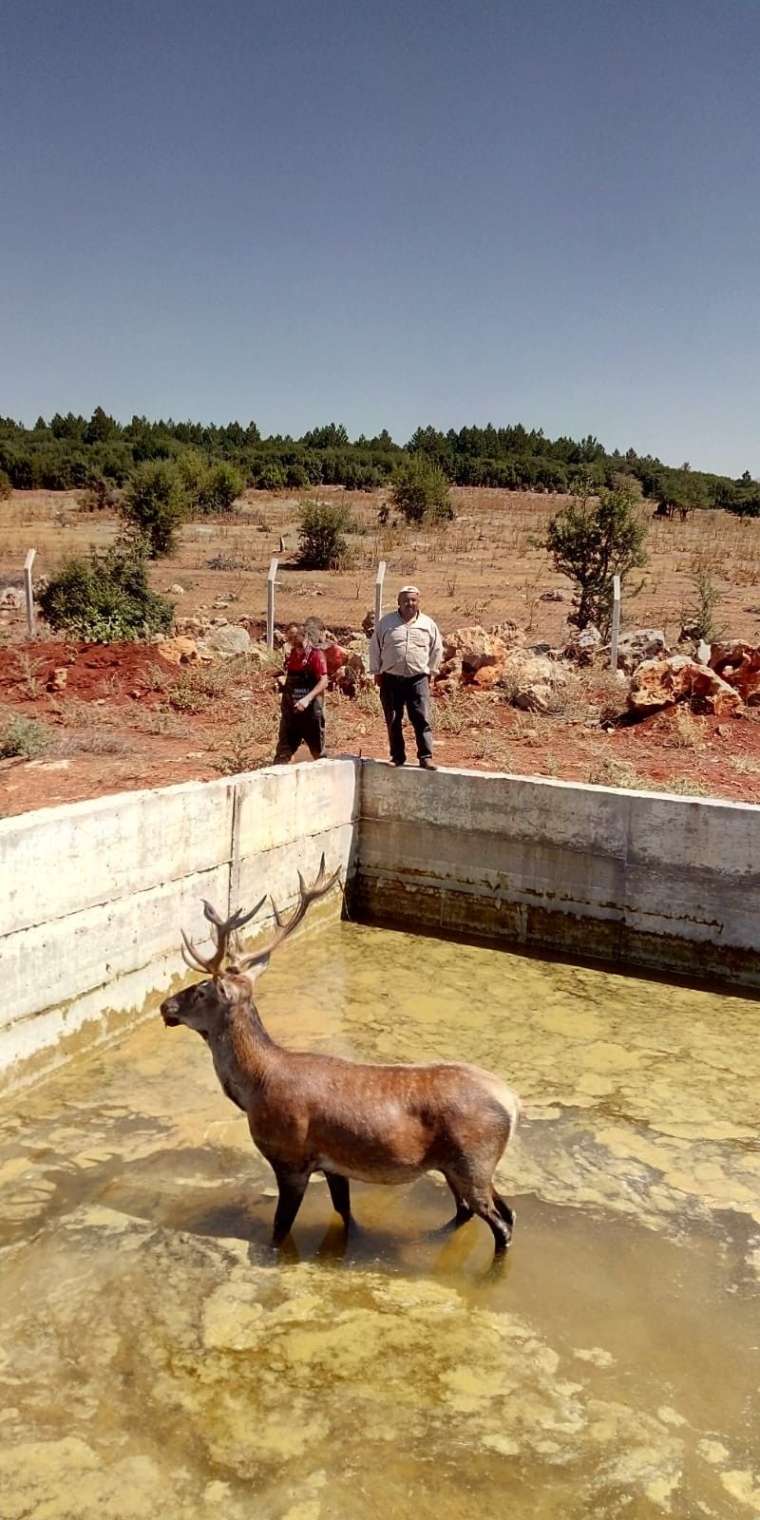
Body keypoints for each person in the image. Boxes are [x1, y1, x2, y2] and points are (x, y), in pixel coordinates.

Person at [369, 585, 443, 769]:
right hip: (391, 678)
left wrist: (431, 672)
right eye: (405, 600)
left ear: (418, 602)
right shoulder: (385, 623)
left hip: (417, 678)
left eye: (413, 600)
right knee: (393, 719)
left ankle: (425, 757)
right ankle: (397, 756)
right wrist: (377, 671)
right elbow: (375, 648)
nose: (409, 603)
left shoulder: (428, 624)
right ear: (398, 602)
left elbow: (437, 649)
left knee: (421, 718)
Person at [273, 623, 328, 764]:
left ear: (303, 636)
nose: (291, 639)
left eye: (294, 635)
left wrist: (306, 700)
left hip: (311, 714)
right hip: (291, 714)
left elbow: (324, 682)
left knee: (318, 755)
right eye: (289, 636)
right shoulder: (292, 655)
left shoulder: (316, 655)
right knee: (282, 755)